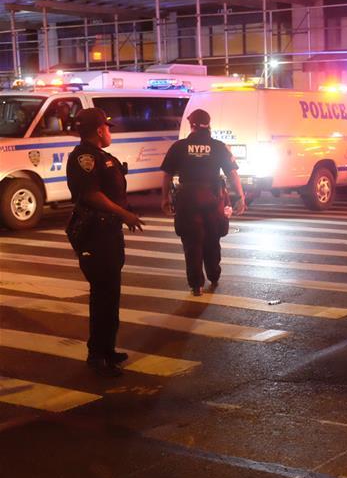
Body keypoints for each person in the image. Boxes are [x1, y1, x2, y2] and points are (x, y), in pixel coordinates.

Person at [66, 108, 145, 378]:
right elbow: (91, 195)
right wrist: (124, 214)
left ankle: (106, 350)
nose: (110, 132)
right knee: (103, 295)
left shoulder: (101, 156)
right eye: (107, 128)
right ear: (99, 130)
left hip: (108, 234)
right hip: (95, 235)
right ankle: (97, 355)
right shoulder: (85, 157)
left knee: (109, 296)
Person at [161, 109, 246, 296]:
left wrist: (165, 198)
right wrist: (240, 196)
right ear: (209, 124)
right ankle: (214, 275)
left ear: (191, 125)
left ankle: (196, 284)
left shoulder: (179, 146)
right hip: (213, 199)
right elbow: (232, 173)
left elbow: (167, 175)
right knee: (212, 239)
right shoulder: (218, 146)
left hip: (187, 200)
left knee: (191, 243)